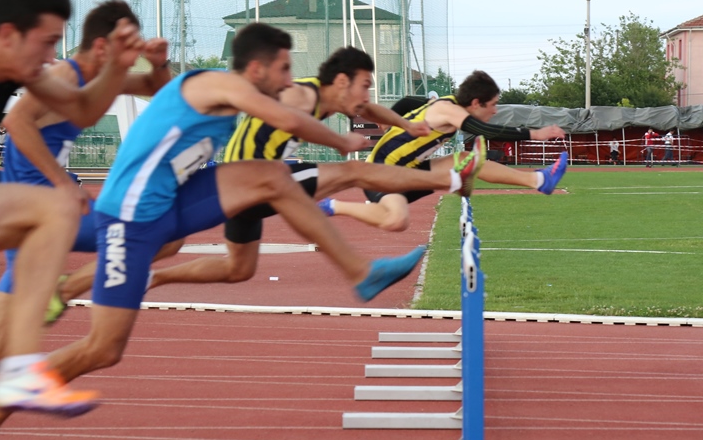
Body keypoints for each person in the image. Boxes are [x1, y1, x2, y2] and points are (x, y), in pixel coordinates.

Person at [0, 23, 428, 440]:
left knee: (271, 177)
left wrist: (158, 64)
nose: (290, 81)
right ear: (258, 67)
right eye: (284, 70)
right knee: (104, 349)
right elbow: (285, 119)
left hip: (171, 202)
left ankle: (361, 272)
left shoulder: (215, 91)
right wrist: (343, 141)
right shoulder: (217, 83)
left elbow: (159, 91)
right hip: (131, 219)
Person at [0, 0, 176, 440]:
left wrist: (157, 63)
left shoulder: (97, 81)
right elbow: (15, 121)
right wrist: (61, 184)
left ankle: (61, 290)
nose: (132, 53)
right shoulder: (61, 78)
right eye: (127, 44)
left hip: (43, 221)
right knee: (162, 231)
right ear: (101, 45)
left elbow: (158, 90)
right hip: (35, 218)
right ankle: (62, 290)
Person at [144, 46, 486, 291]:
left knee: (238, 268)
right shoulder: (300, 95)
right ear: (341, 81)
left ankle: (153, 277)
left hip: (249, 183)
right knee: (354, 171)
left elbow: (370, 110)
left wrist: (407, 126)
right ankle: (453, 180)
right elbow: (287, 117)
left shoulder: (330, 97)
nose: (366, 94)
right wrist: (338, 142)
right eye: (364, 84)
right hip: (251, 179)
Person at [322, 70, 568, 233]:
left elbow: (408, 101)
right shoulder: (448, 110)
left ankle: (539, 180)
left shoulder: (442, 104)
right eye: (492, 105)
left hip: (408, 170)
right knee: (396, 220)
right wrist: (534, 134)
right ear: (475, 103)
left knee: (465, 159)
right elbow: (484, 130)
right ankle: (333, 206)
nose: (495, 110)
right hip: (381, 175)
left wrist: (392, 119)